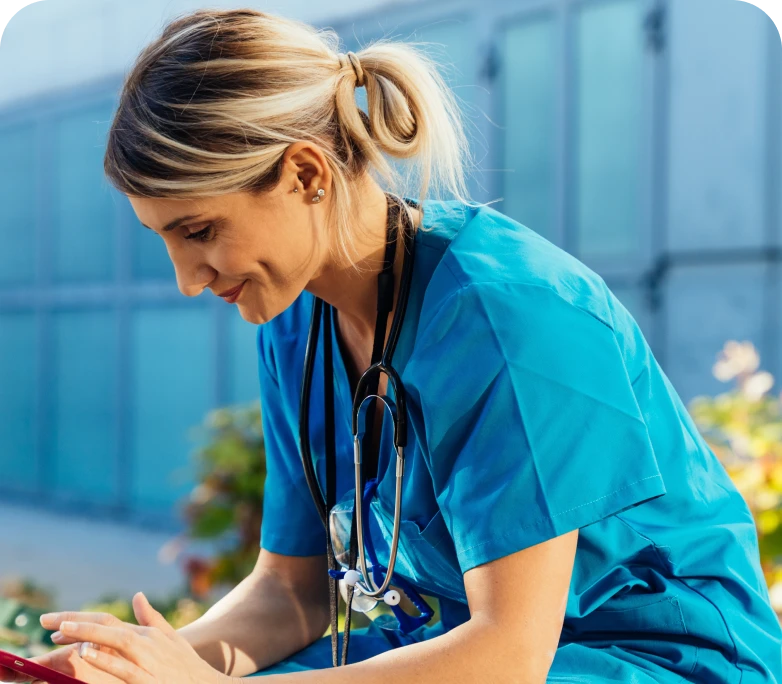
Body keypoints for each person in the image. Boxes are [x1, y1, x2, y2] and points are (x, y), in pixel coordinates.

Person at [4, 8, 780, 684]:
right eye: (164, 240)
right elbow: (290, 594)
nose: (185, 278)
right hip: (456, 655)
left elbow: (506, 657)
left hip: (646, 662)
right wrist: (142, 667)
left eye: (199, 231)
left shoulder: (512, 317)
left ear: (306, 173)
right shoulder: (292, 319)